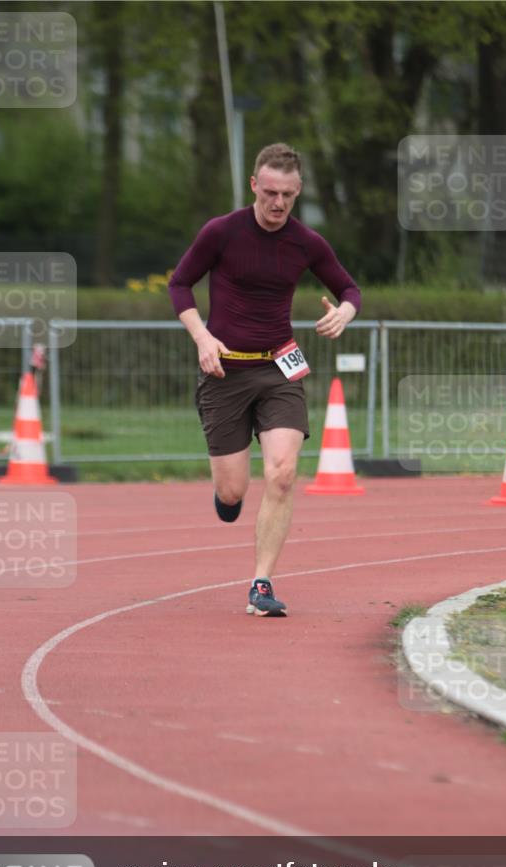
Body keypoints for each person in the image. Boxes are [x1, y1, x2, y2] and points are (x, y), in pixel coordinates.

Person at [168, 143, 361, 617]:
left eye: (288, 196)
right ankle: (225, 496)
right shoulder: (221, 232)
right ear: (254, 185)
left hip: (280, 368)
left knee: (282, 472)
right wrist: (202, 337)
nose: (278, 204)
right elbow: (179, 284)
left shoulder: (306, 243)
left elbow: (349, 288)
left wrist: (346, 312)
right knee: (233, 492)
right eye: (270, 193)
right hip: (224, 369)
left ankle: (261, 583)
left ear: (298, 193)